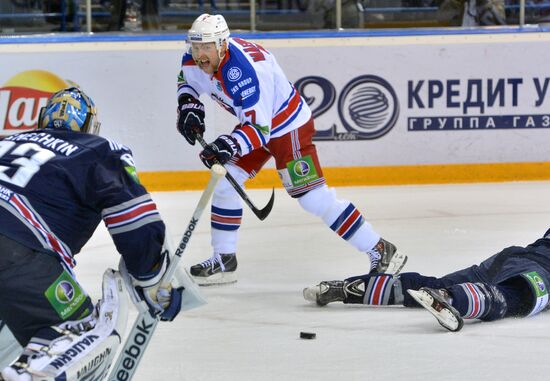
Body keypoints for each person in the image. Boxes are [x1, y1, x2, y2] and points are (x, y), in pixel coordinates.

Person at [176, 13, 407, 286]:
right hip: (256, 124)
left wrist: (227, 145)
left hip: (287, 128)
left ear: (222, 45)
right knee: (226, 181)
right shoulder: (192, 59)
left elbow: (259, 129)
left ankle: (380, 248)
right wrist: (189, 108)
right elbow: (187, 82)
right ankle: (224, 258)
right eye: (196, 46)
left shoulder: (243, 72)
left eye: (207, 47)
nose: (200, 55)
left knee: (312, 197)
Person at [0, 87, 183, 379]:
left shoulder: (7, 141)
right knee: (83, 328)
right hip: (17, 248)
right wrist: (152, 275)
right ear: (89, 127)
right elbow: (134, 218)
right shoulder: (97, 148)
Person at [304, 228, 550, 332]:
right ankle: (449, 299)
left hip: (509, 257)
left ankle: (349, 289)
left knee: (433, 283)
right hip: (540, 269)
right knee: (514, 299)